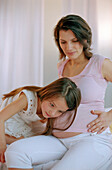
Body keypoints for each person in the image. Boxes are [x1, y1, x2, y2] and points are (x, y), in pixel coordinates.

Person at [4, 14, 112, 170]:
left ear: (85, 40)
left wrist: (109, 115)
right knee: (15, 152)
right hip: (58, 139)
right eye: (63, 42)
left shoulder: (100, 63)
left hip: (91, 139)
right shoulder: (62, 65)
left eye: (74, 41)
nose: (68, 47)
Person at [0, 77, 81, 165]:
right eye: (52, 105)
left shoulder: (49, 113)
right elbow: (1, 118)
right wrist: (2, 145)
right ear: (47, 93)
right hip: (7, 122)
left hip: (24, 128)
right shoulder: (27, 99)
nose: (52, 113)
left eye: (60, 111)